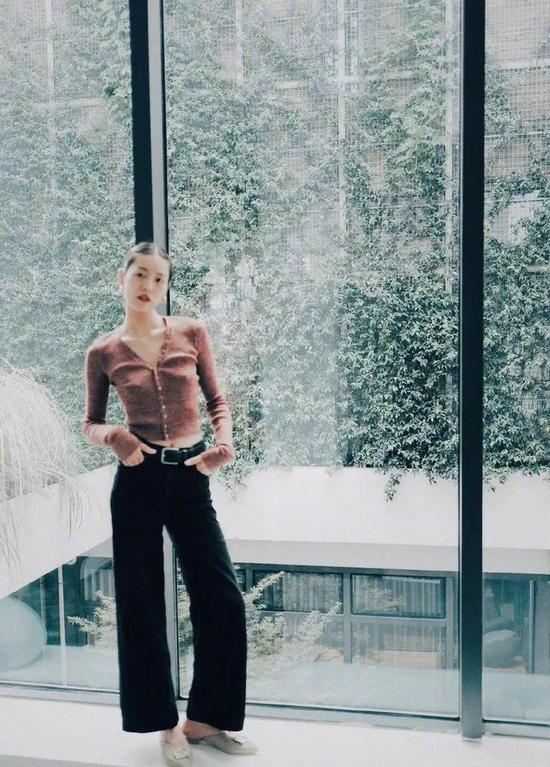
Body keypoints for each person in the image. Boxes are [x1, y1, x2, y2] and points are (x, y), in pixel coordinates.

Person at [82, 242, 258, 764]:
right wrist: (116, 437)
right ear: (122, 278)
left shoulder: (191, 332)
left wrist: (223, 446)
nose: (149, 286)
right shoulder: (102, 352)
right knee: (141, 604)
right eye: (141, 275)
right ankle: (164, 725)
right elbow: (90, 423)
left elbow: (217, 400)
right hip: (137, 480)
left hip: (190, 475)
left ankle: (205, 721)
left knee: (221, 597)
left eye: (159, 279)